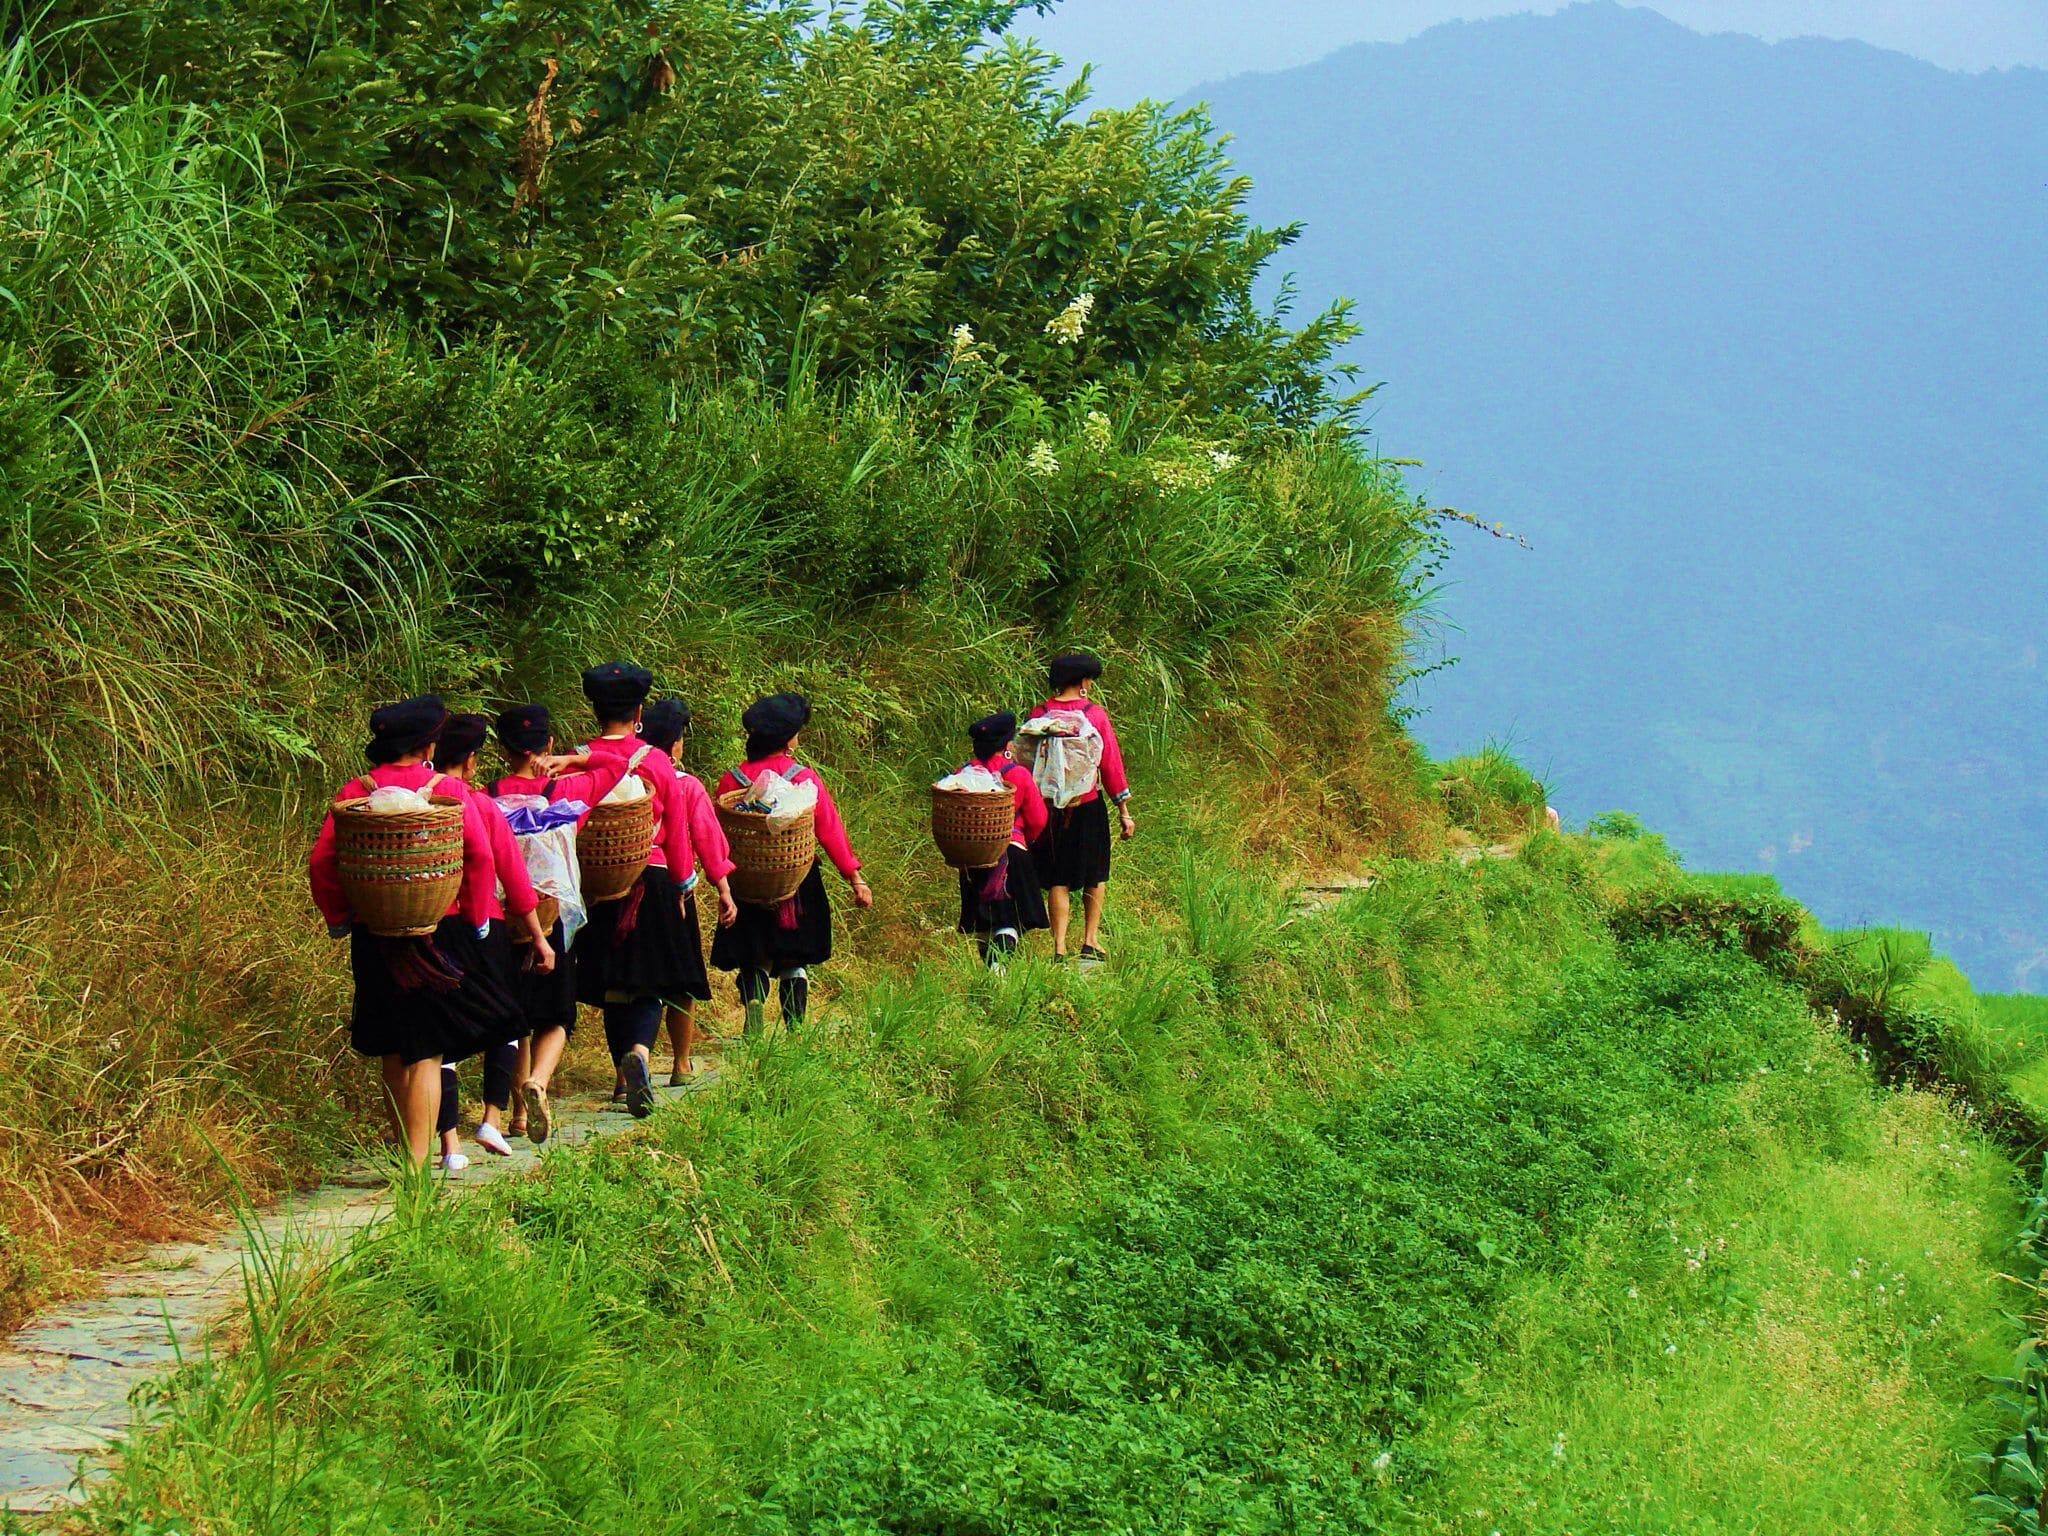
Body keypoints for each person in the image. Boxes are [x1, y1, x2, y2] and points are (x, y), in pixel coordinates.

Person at [307, 695, 526, 1170]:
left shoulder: (354, 791)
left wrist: (339, 915)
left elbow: (322, 861)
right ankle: (417, 1163)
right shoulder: (447, 789)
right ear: (428, 745)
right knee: (426, 1048)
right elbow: (481, 855)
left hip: (375, 931)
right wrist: (475, 915)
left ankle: (405, 1148)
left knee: (391, 1044)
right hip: (438, 929)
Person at [574, 661, 737, 1119]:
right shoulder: (658, 762)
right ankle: (643, 1054)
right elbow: (680, 834)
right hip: (654, 877)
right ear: (639, 711)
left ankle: (622, 1078)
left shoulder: (577, 759)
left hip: (601, 883)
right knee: (650, 983)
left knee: (612, 984)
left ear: (594, 710)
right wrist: (685, 884)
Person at [489, 701, 630, 1144]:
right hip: (554, 916)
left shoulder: (486, 794)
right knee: (556, 1015)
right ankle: (540, 1082)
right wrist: (573, 758)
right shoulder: (568, 792)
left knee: (517, 1014)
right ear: (547, 744)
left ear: (502, 749)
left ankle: (514, 1114)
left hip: (504, 913)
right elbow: (620, 764)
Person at [428, 712, 556, 1162]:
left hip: (425, 928)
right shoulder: (477, 804)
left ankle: (447, 1144)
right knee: (507, 1022)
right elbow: (513, 877)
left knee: (438, 1036)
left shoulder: (412, 801)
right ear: (468, 760)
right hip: (481, 925)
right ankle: (492, 1119)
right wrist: (539, 937)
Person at [711, 692, 872, 1036]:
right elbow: (830, 830)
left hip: (748, 881)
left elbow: (719, 833)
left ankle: (753, 1003)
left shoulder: (732, 780)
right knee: (793, 959)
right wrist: (854, 877)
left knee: (753, 954)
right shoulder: (803, 779)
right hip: (796, 880)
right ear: (788, 739)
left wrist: (721, 878)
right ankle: (795, 1029)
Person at [638, 697, 738, 1084]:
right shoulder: (684, 785)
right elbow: (707, 839)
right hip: (671, 883)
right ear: (675, 744)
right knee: (681, 978)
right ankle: (681, 1063)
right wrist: (724, 888)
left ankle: (623, 1073)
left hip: (623, 882)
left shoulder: (628, 780)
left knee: (632, 979)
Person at [1025, 652, 1135, 964]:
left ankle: (1058, 948)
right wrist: (1123, 809)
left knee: (1058, 878)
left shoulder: (1040, 714)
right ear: (1084, 682)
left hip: (1049, 810)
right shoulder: (1094, 715)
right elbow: (1110, 762)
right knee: (1093, 873)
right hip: (1086, 805)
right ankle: (1090, 941)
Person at [953, 711, 1050, 968]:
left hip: (972, 859)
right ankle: (999, 970)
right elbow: (1039, 818)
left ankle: (989, 973)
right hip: (1011, 855)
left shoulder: (962, 774)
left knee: (984, 920)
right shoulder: (1017, 774)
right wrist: (1024, 840)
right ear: (1007, 746)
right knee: (1010, 919)